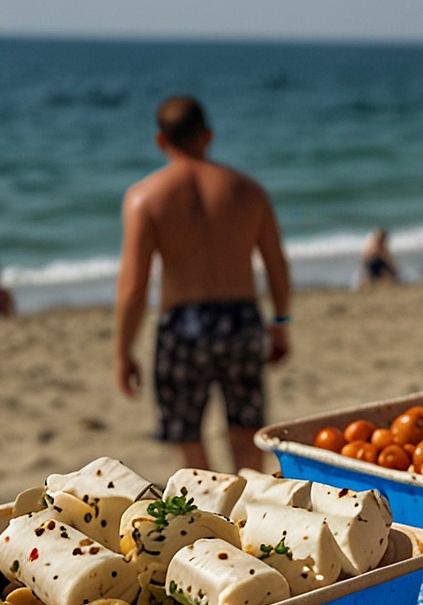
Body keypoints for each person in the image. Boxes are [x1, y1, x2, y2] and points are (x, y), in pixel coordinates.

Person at [114, 95, 291, 473]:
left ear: (161, 141)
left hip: (183, 325)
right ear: (208, 136)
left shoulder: (144, 198)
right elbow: (276, 267)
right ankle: (250, 517)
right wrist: (281, 325)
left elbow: (134, 286)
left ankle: (208, 516)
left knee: (189, 438)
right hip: (241, 319)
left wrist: (122, 352)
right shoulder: (248, 191)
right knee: (246, 433)